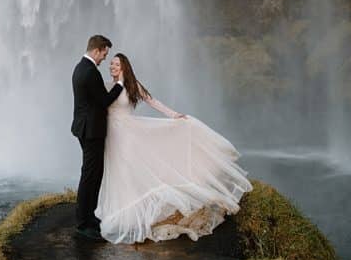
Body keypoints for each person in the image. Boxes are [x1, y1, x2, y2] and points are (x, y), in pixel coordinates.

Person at [95, 52, 252, 244]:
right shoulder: (106, 86)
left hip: (129, 134)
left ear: (124, 67)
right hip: (112, 135)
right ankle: (123, 211)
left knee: (130, 169)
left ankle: (135, 215)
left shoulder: (132, 85)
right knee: (117, 171)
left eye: (116, 64)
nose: (112, 67)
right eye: (111, 64)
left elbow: (152, 101)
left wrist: (174, 115)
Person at [71, 34, 124, 241]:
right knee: (90, 176)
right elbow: (104, 101)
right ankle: (83, 223)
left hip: (86, 128)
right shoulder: (90, 72)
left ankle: (89, 216)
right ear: (97, 50)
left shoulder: (80, 67)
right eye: (104, 54)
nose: (104, 58)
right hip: (91, 131)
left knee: (93, 173)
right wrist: (120, 84)